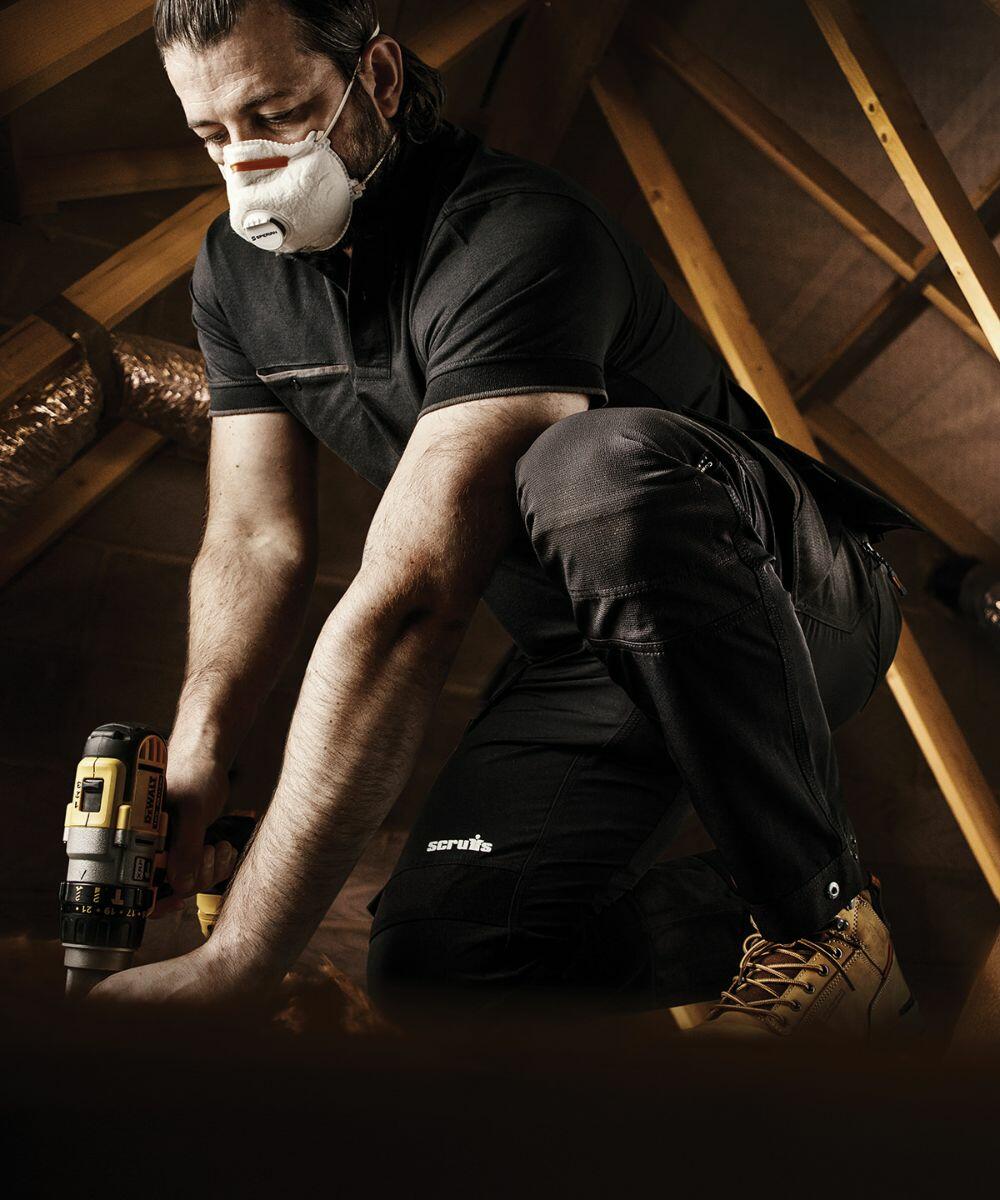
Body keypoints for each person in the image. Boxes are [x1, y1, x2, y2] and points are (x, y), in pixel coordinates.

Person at [94, 0, 925, 1037]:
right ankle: (825, 923)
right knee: (442, 965)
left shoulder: (514, 232)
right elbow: (253, 538)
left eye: (277, 115)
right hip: (584, 652)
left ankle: (818, 918)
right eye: (213, 134)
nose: (247, 160)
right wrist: (200, 747)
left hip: (788, 595)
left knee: (589, 465)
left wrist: (238, 962)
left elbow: (414, 596)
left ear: (377, 79)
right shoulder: (233, 274)